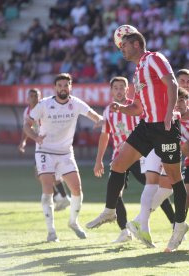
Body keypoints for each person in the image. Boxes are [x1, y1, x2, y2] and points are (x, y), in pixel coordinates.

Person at [86, 28, 188, 253]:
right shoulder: (138, 71)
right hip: (146, 126)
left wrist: (170, 112)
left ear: (136, 44)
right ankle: (110, 210)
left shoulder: (154, 58)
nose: (120, 49)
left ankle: (179, 225)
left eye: (123, 45)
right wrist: (122, 108)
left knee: (174, 178)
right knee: (118, 164)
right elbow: (139, 107)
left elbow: (172, 82)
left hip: (165, 127)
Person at [93, 76, 175, 243]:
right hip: (119, 156)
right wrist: (98, 160)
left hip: (139, 154)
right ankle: (124, 231)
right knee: (116, 192)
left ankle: (174, 223)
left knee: (154, 187)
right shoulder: (108, 110)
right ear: (111, 91)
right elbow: (105, 136)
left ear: (127, 89)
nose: (118, 90)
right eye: (115, 87)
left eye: (121, 87)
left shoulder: (136, 106)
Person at [23, 73, 103, 242]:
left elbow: (95, 115)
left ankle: (73, 222)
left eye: (66, 85)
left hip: (66, 152)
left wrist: (100, 121)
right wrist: (35, 138)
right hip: (44, 151)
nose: (63, 88)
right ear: (55, 88)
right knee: (47, 186)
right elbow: (26, 125)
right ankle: (51, 232)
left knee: (77, 189)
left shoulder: (75, 103)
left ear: (70, 87)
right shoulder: (44, 104)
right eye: (60, 85)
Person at [18, 88, 70, 212]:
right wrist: (23, 141)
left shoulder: (46, 108)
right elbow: (26, 127)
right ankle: (62, 197)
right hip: (41, 146)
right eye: (31, 96)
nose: (33, 98)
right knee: (44, 174)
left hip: (50, 145)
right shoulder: (27, 111)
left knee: (44, 174)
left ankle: (61, 197)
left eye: (36, 96)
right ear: (27, 98)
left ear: (40, 97)